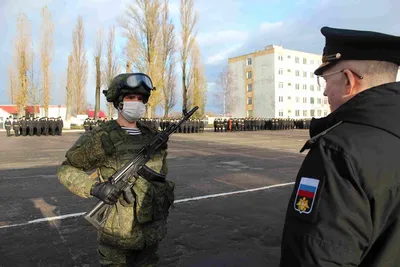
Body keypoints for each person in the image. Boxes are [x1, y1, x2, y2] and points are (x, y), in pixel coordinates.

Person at [280, 26, 400, 266]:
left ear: (348, 80)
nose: (324, 91)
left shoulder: (337, 153)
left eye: (325, 80)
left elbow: (316, 256)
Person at [56, 73, 175, 267]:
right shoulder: (102, 137)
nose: (136, 103)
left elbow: (160, 177)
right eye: (130, 98)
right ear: (118, 102)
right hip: (117, 236)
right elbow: (66, 170)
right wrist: (95, 188)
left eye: (139, 99)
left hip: (151, 234)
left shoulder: (151, 137)